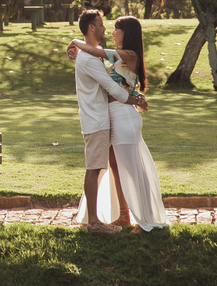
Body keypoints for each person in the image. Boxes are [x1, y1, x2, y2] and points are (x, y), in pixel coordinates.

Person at [70, 15, 168, 232]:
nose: (112, 32)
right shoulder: (115, 59)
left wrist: (75, 42)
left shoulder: (128, 54)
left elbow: (97, 54)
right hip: (113, 116)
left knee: (132, 169)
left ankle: (145, 220)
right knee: (115, 167)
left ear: (127, 33)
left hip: (123, 116)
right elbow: (104, 71)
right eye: (110, 27)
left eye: (117, 28)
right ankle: (124, 215)